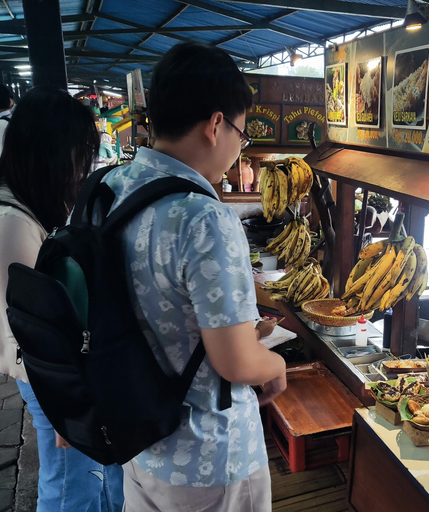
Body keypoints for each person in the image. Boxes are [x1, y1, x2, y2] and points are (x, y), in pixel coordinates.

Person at [96, 42, 285, 511]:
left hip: (137, 436)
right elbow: (237, 363)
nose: (239, 148)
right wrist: (275, 367)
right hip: (209, 458)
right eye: (242, 133)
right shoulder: (204, 218)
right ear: (216, 125)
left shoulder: (109, 188)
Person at [0, 86, 124, 512]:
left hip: (58, 376)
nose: (83, 166)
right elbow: (34, 330)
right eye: (80, 154)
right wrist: (67, 407)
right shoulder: (9, 222)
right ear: (50, 150)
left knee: (94, 478)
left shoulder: (26, 203)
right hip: (50, 379)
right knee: (70, 490)